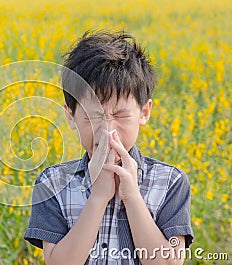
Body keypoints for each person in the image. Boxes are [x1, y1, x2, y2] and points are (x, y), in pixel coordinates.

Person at [24, 30, 194, 265]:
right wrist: (98, 197)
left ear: (144, 113)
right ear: (71, 116)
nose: (107, 131)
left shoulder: (169, 182)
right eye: (93, 116)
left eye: (120, 115)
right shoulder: (53, 183)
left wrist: (132, 196)